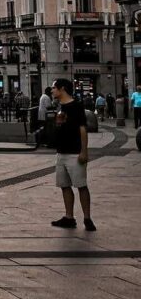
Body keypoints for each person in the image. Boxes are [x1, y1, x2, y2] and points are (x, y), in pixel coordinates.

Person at [50, 77, 96, 232]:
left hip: (74, 152)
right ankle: (69, 217)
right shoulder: (59, 106)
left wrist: (84, 151)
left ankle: (87, 218)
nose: (52, 90)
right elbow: (60, 126)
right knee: (64, 185)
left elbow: (82, 129)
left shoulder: (76, 106)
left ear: (62, 88)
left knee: (81, 185)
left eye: (54, 88)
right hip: (61, 152)